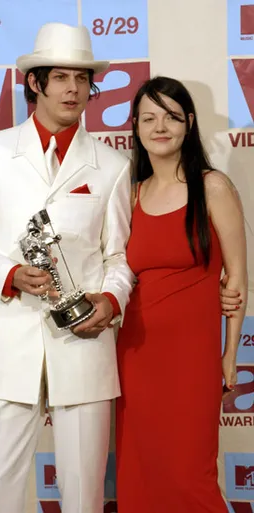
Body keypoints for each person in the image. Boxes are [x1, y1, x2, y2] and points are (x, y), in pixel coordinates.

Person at [0, 23, 135, 513]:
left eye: (82, 79)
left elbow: (119, 256)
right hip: (11, 342)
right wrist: (8, 274)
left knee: (84, 495)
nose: (73, 89)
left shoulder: (113, 166)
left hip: (86, 343)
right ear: (36, 83)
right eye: (60, 78)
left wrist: (112, 298)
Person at [115, 76, 247, 513]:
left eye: (170, 116)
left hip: (192, 359)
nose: (160, 127)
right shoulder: (130, 195)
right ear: (135, 127)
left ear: (188, 123)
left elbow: (237, 282)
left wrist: (228, 355)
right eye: (148, 118)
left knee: (190, 476)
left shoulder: (212, 187)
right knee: (140, 472)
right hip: (134, 357)